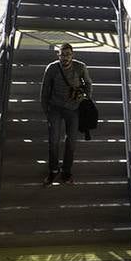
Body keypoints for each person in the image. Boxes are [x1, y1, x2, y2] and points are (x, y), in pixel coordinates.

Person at [40, 42, 93, 184]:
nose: (65, 57)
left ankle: (66, 171)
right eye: (62, 54)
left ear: (72, 55)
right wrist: (46, 111)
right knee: (54, 140)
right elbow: (45, 91)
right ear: (58, 55)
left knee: (71, 142)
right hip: (55, 108)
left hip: (73, 109)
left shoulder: (80, 67)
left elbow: (88, 83)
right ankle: (53, 170)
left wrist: (85, 99)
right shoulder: (51, 68)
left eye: (68, 54)